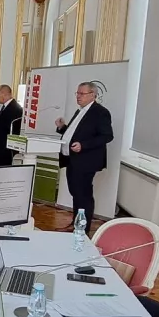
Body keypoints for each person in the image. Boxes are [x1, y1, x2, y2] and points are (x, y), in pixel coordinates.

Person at [55, 82, 113, 227]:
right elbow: (76, 134)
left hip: (86, 161)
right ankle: (77, 223)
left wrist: (83, 145)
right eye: (77, 93)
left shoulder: (100, 112)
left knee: (83, 196)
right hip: (72, 160)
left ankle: (83, 229)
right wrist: (63, 128)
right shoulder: (80, 111)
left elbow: (107, 136)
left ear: (93, 95)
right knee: (76, 193)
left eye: (82, 94)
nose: (78, 96)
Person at [0, 84, 23, 167]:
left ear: (4, 94)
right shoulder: (6, 107)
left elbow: (3, 126)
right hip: (2, 148)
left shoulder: (14, 108)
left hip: (7, 149)